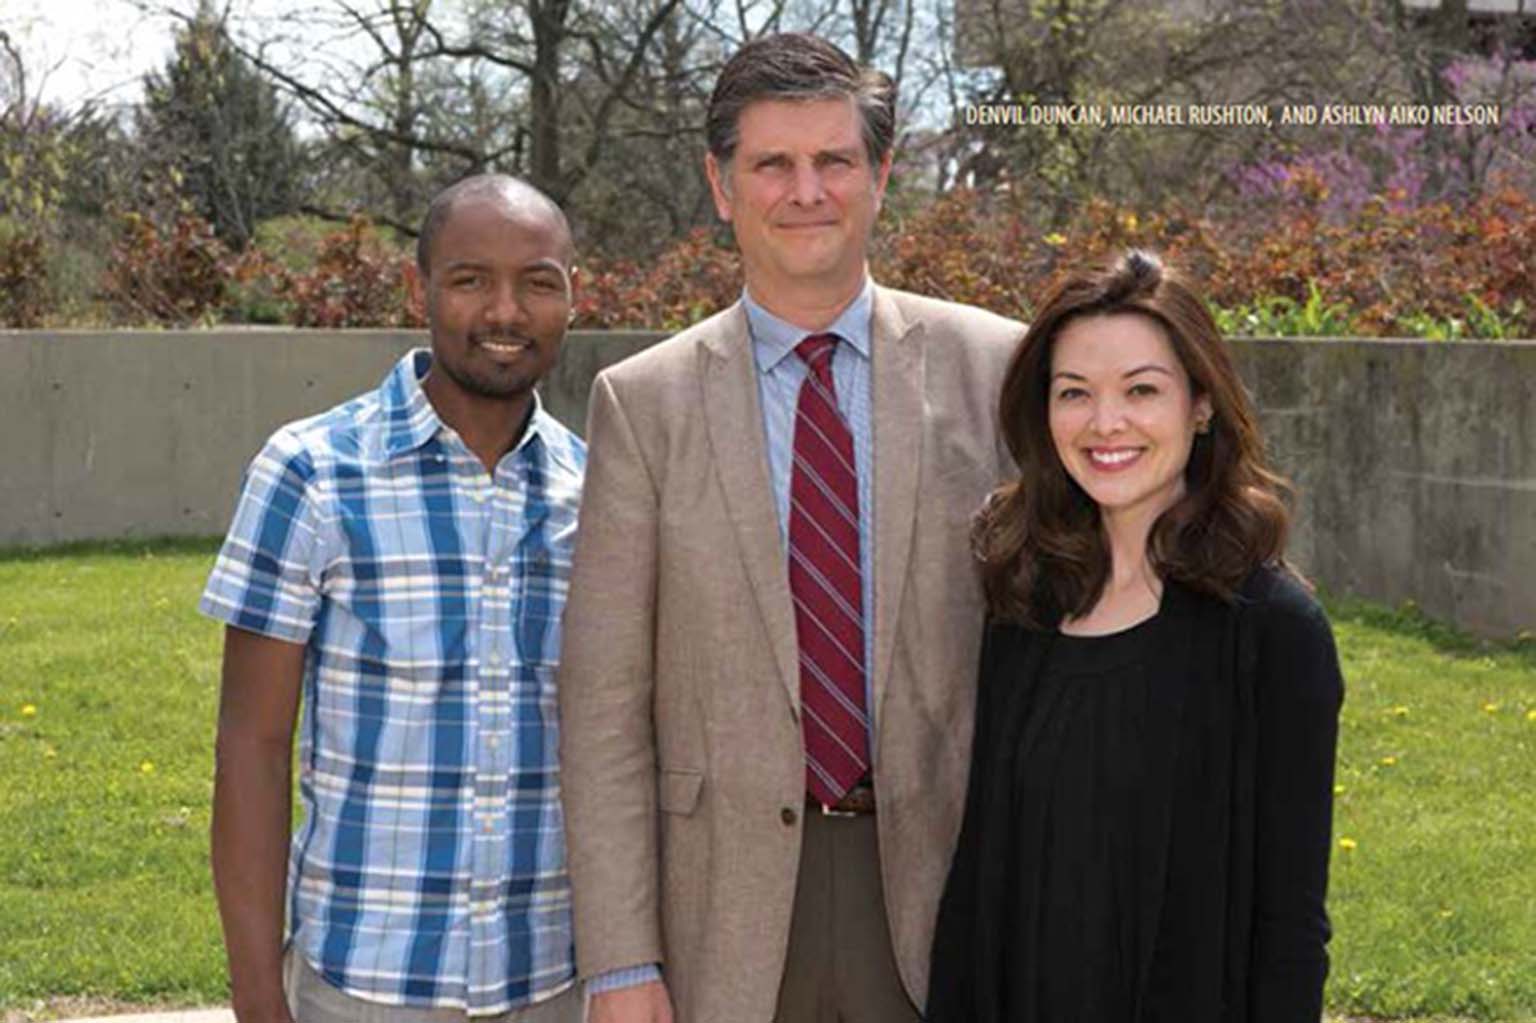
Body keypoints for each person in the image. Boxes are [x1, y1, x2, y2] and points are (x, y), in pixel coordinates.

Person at [556, 31, 1027, 1023]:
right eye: (773, 163)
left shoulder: (998, 371)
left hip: (947, 886)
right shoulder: (643, 405)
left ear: (881, 175)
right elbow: (603, 707)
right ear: (721, 184)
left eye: (835, 161)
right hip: (720, 912)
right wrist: (619, 962)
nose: (805, 190)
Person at [202, 174, 586, 1023]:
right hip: (363, 987)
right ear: (421, 290)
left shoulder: (596, 491)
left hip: (554, 984)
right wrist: (258, 992)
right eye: (470, 278)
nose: (505, 312)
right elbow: (253, 744)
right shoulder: (311, 472)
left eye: (537, 281)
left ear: (572, 297)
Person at [926, 250, 1344, 1022]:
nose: (1105, 422)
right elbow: (982, 871)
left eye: (1141, 390)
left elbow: (1290, 924)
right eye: (1074, 393)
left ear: (1202, 404)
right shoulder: (1025, 604)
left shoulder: (1274, 631)